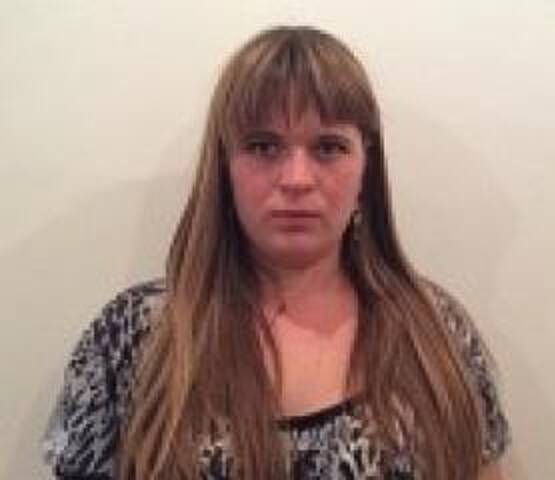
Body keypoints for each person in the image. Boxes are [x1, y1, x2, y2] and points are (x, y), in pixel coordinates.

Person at [43, 25, 511, 479]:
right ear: (224, 166)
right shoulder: (135, 338)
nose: (296, 179)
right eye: (264, 146)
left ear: (366, 169)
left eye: (328, 147)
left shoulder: (435, 335)